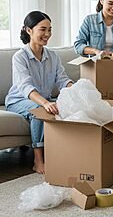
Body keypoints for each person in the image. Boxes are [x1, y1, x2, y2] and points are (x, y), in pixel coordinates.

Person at [5, 11, 73, 174]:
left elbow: (62, 79)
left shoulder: (53, 56)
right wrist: (45, 103)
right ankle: (38, 160)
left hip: (43, 98)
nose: (47, 34)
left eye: (50, 29)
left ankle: (66, 154)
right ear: (29, 30)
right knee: (40, 111)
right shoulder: (19, 57)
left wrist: (76, 90)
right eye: (43, 29)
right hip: (18, 100)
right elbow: (25, 87)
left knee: (64, 107)